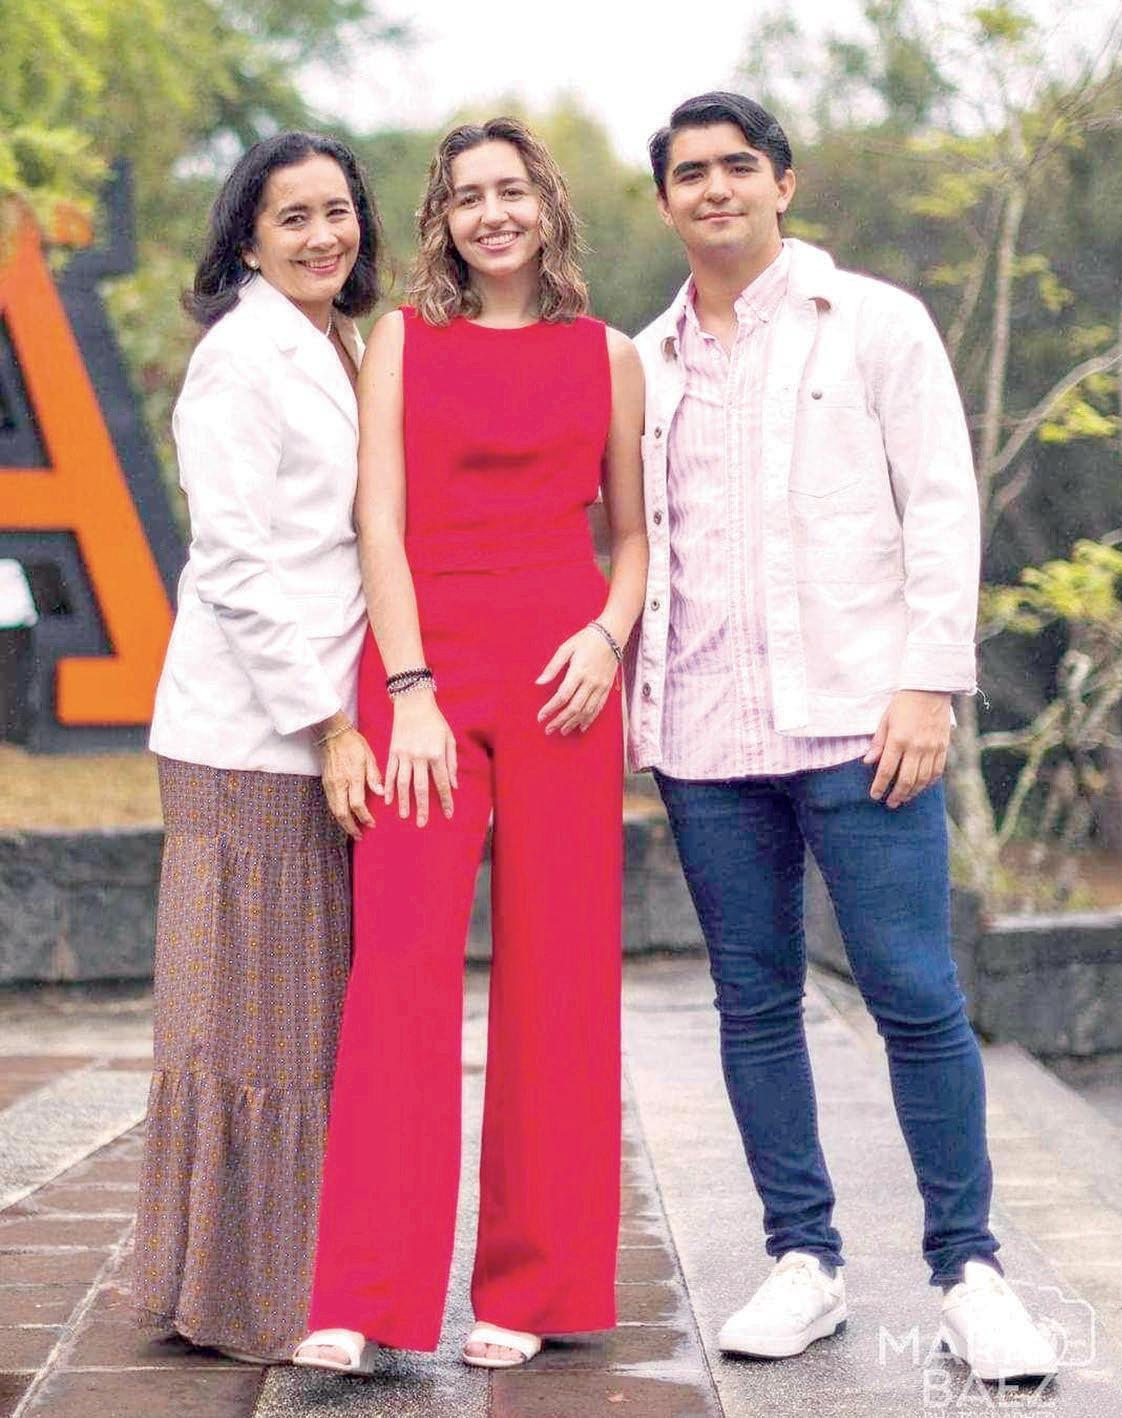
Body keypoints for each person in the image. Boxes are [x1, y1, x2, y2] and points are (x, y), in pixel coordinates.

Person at [628, 92, 1059, 1384]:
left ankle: (969, 1271)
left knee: (913, 991)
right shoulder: (640, 363)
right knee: (753, 999)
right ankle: (801, 1258)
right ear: (664, 200)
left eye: (737, 166)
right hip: (705, 734)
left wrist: (928, 682)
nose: (715, 188)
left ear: (784, 182)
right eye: (690, 172)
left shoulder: (873, 321)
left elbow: (941, 503)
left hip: (860, 721)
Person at [293, 116, 647, 1374]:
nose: (491, 213)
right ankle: (363, 1295)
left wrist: (606, 637)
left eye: (511, 189)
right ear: (440, 220)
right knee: (397, 971)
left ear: (548, 203)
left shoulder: (609, 354)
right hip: (422, 681)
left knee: (560, 978)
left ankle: (535, 1286)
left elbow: (633, 539)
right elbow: (376, 523)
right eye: (465, 196)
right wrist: (411, 686)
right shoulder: (402, 339)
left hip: (564, 684)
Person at [137, 131, 386, 1364]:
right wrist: (331, 720)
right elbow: (233, 562)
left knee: (283, 1019)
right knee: (251, 1027)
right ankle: (248, 1297)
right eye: (293, 217)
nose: (322, 235)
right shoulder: (241, 358)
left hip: (307, 722)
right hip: (255, 733)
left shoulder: (340, 343)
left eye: (337, 210)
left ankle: (263, 1279)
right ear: (246, 235)